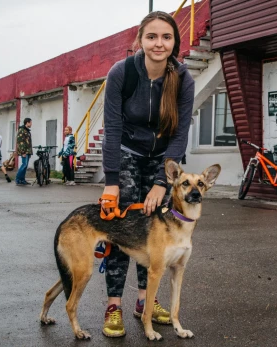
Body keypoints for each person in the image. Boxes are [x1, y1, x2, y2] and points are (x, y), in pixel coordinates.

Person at [99, 11, 194, 338]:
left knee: (154, 230)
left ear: (174, 43)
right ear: (140, 40)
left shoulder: (182, 78)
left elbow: (180, 135)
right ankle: (114, 305)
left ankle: (145, 301)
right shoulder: (121, 73)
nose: (159, 43)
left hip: (163, 159)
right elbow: (111, 130)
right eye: (152, 36)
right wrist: (112, 183)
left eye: (166, 37)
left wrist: (159, 183)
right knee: (122, 227)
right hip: (126, 154)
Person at [15, 118, 33, 186]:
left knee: (25, 166)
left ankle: (22, 180)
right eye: (30, 122)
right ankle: (17, 179)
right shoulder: (22, 130)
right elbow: (20, 141)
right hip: (24, 151)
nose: (31, 124)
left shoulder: (27, 131)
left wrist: (29, 152)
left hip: (27, 151)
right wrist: (23, 152)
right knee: (24, 165)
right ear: (27, 123)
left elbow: (28, 142)